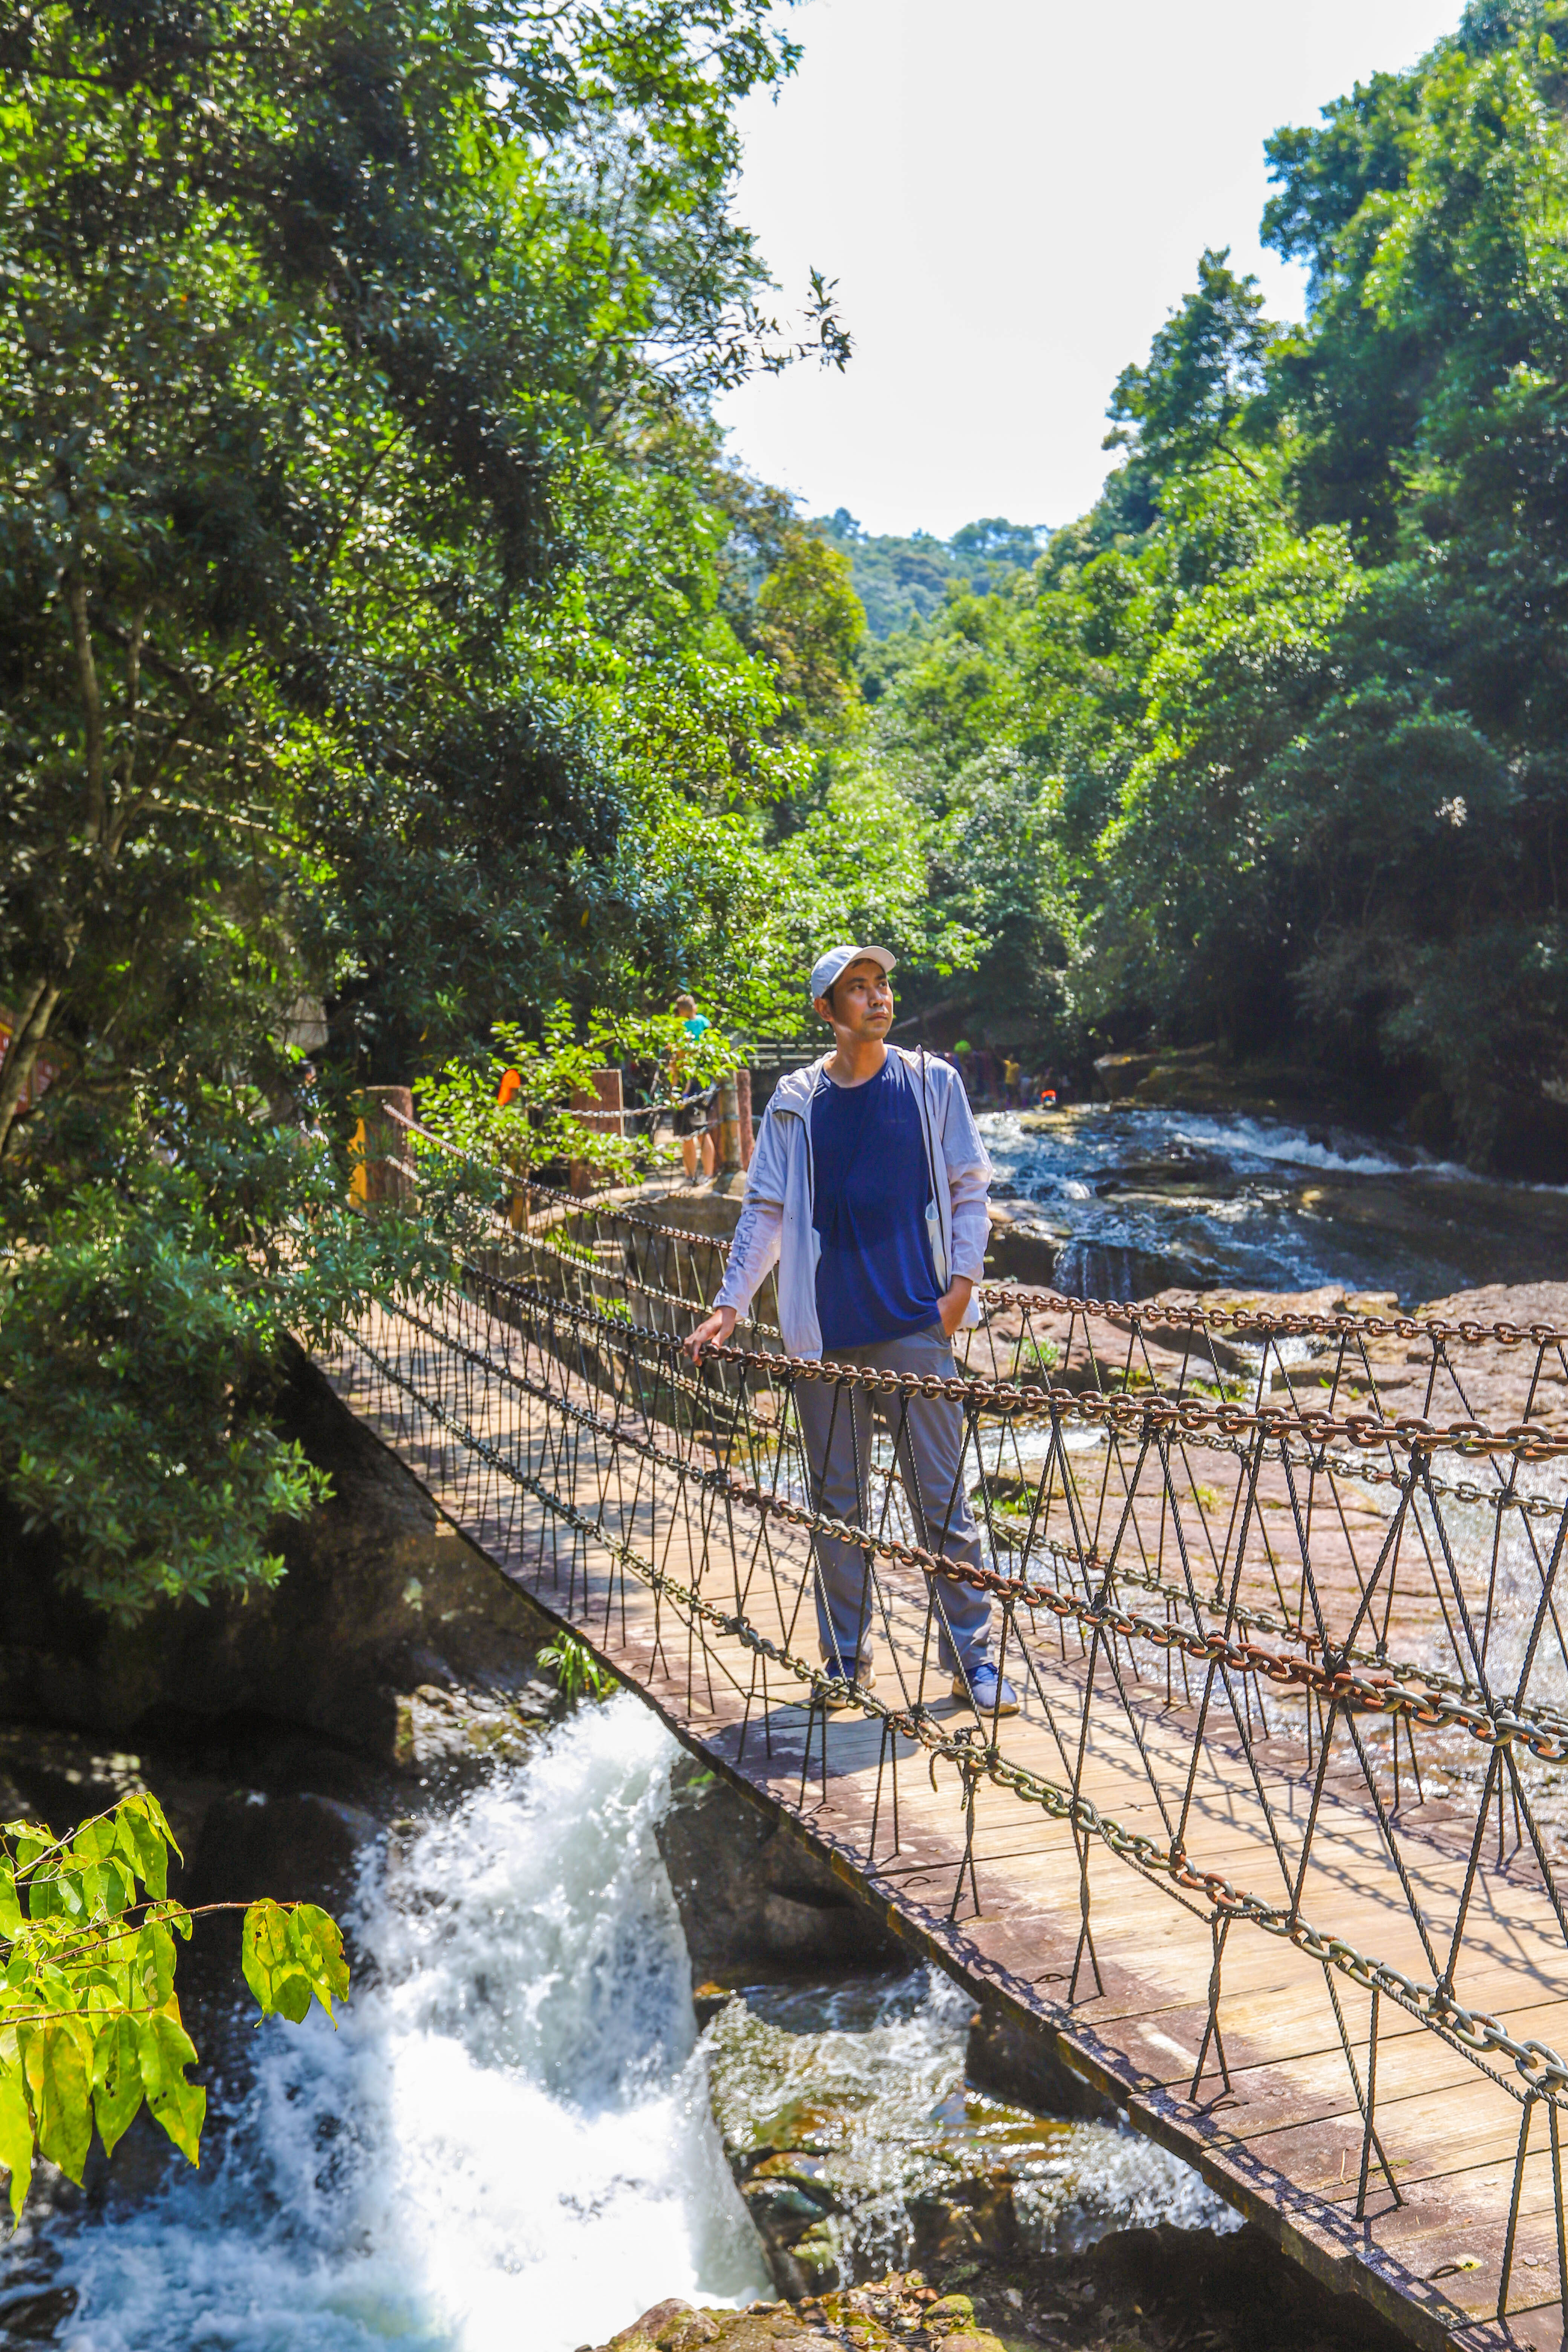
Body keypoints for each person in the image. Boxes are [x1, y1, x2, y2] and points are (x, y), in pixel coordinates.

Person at [684, 944, 1020, 1719]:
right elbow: (764, 1210)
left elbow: (971, 1189)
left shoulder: (932, 1084)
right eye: (857, 990)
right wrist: (731, 1306)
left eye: (880, 986)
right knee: (837, 1506)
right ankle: (843, 1660)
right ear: (827, 1013)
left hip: (912, 1325)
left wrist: (961, 1292)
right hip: (823, 1334)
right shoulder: (796, 1101)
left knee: (941, 1502)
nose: (876, 999)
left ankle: (973, 1662)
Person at [669, 992, 715, 1183]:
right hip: (697, 1082)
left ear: (680, 1011)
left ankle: (696, 1175)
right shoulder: (704, 1023)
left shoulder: (680, 1027)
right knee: (692, 1133)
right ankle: (704, 1175)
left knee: (696, 1133)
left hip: (692, 1083)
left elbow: (678, 1053)